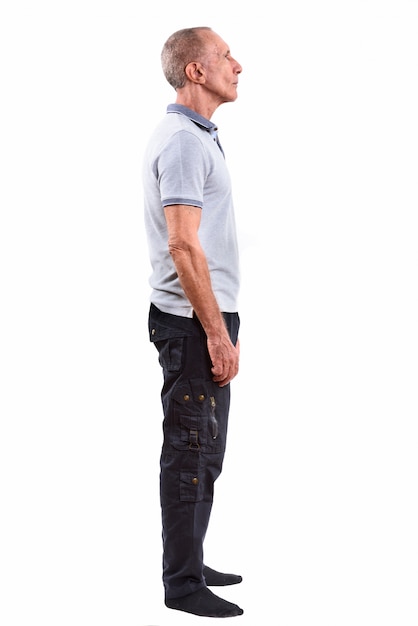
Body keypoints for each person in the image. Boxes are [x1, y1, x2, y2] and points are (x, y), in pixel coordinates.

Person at [142, 26, 244, 618]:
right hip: (190, 323)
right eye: (225, 55)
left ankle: (191, 560)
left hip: (201, 317)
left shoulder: (198, 137)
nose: (239, 63)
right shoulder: (183, 142)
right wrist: (214, 331)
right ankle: (181, 585)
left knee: (204, 451)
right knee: (189, 452)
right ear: (195, 72)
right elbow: (183, 246)